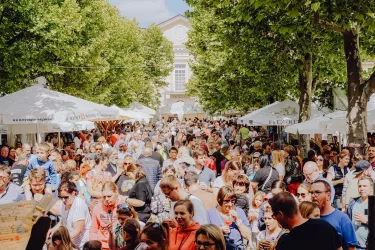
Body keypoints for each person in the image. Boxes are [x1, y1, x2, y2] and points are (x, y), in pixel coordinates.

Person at [268, 192, 342, 250]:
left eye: (274, 216)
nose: (275, 219)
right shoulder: (324, 225)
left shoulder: (285, 242)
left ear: (281, 214)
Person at [311, 180, 358, 250]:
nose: (313, 195)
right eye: (311, 192)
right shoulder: (308, 217)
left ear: (328, 195)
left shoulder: (342, 218)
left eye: (317, 192)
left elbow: (351, 247)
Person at [49, 181, 91, 249]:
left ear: (73, 193)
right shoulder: (65, 203)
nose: (63, 200)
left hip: (81, 245)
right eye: (60, 197)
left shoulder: (79, 205)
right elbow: (64, 220)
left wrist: (61, 239)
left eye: (66, 197)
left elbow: (77, 230)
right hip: (69, 242)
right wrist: (53, 229)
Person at [206, 186, 251, 250]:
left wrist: (238, 222)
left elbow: (248, 236)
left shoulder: (239, 212)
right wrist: (219, 232)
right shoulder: (210, 213)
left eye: (232, 201)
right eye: (226, 201)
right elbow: (205, 236)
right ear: (220, 200)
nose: (230, 204)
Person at [90, 181, 124, 250]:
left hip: (119, 246)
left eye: (109, 196)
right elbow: (93, 230)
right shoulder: (98, 208)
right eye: (104, 197)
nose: (106, 199)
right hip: (102, 246)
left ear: (116, 193)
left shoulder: (123, 206)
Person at [346, 176, 372, 249]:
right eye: (360, 186)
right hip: (354, 246)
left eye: (365, 186)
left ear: (371, 188)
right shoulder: (352, 202)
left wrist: (366, 221)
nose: (362, 188)